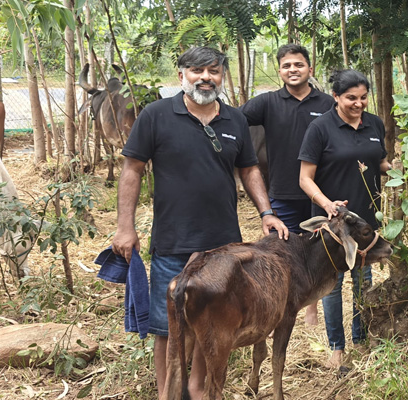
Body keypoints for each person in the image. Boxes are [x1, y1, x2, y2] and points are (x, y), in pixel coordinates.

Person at [112, 46, 287, 399]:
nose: (206, 77)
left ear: (222, 77)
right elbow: (132, 169)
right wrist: (124, 226)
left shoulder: (235, 119)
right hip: (172, 242)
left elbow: (249, 169)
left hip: (223, 247)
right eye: (197, 70)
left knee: (212, 326)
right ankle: (167, 393)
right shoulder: (157, 115)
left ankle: (198, 390)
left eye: (214, 71)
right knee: (167, 329)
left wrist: (266, 212)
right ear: (182, 76)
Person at [298, 69, 390, 372]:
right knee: (333, 284)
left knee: (363, 281)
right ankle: (337, 348)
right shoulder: (320, 128)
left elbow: (381, 162)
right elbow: (305, 179)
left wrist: (403, 170)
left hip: (365, 223)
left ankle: (361, 340)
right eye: (351, 98)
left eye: (363, 97)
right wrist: (328, 205)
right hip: (332, 225)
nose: (358, 103)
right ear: (336, 97)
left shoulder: (374, 123)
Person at [241, 43, 334, 326]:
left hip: (320, 193)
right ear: (279, 71)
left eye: (298, 64)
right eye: (286, 66)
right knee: (284, 252)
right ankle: (284, 306)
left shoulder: (328, 104)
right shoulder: (266, 103)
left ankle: (312, 307)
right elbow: (233, 120)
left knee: (320, 252)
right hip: (281, 191)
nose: (292, 70)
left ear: (310, 68)